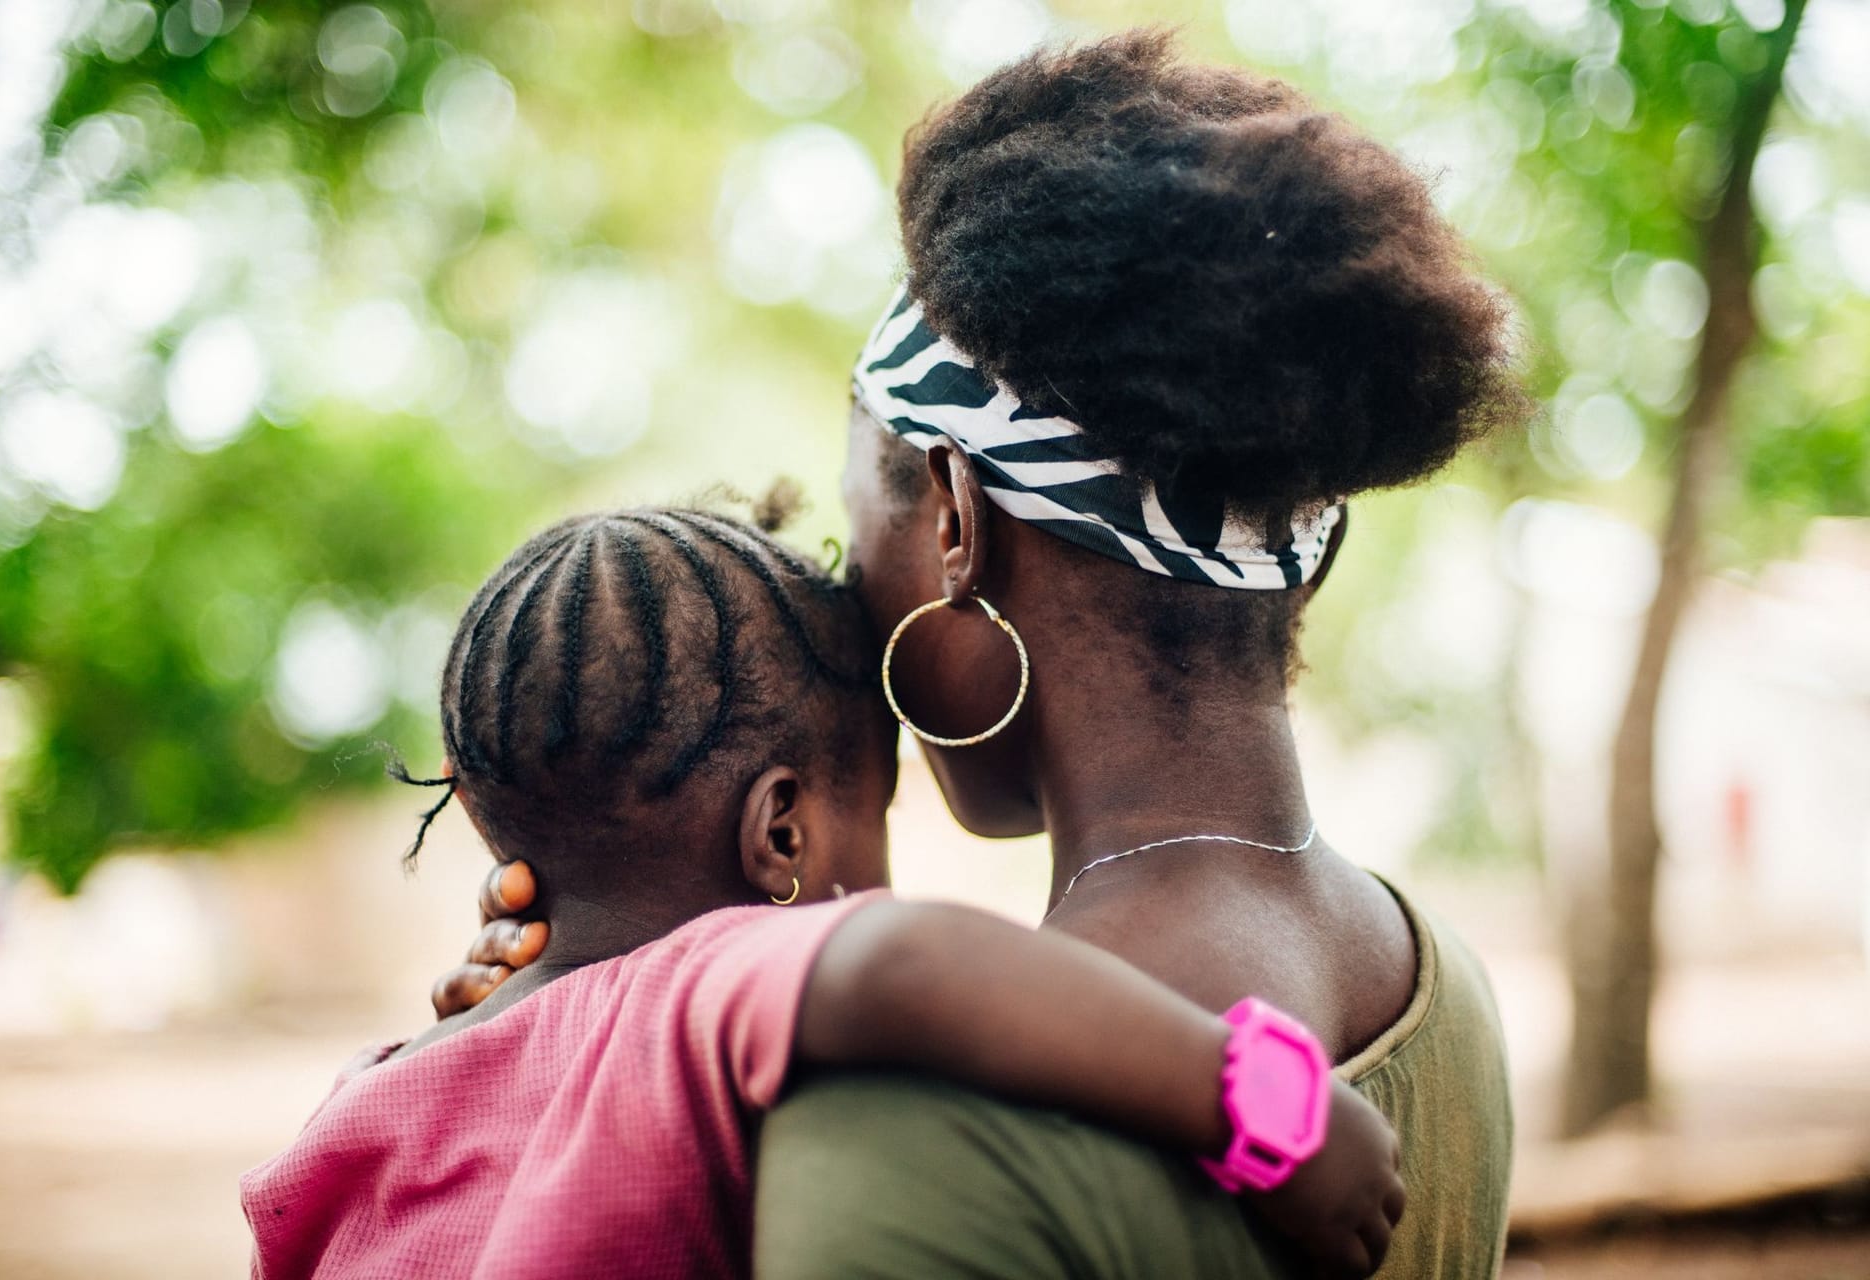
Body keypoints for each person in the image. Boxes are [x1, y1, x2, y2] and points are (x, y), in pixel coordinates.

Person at [438, 30, 1527, 1279]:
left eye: (862, 539)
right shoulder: (1449, 988)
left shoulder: (909, 1121)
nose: (849, 599)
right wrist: (597, 1034)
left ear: (957, 518)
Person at [241, 508, 1404, 1279]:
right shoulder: (699, 984)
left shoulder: (368, 1096)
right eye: (877, 804)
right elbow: (900, 964)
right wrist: (1266, 1106)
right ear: (781, 829)